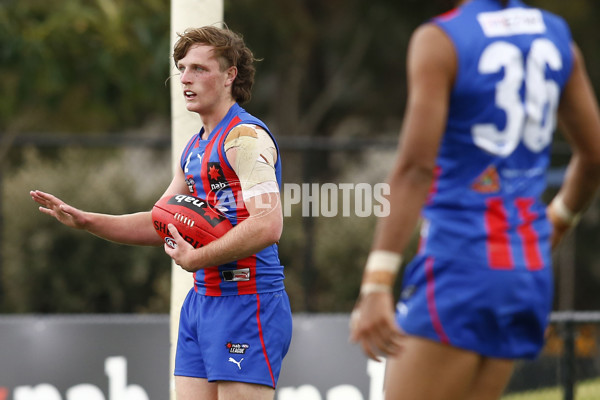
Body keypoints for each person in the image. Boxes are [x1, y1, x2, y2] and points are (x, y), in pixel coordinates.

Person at [349, 1, 600, 399]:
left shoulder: (441, 39)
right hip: (526, 271)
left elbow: (415, 168)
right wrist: (558, 220)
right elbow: (594, 156)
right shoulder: (556, 36)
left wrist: (377, 282)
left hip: (461, 265)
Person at [31, 26, 292, 400]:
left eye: (199, 69)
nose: (185, 78)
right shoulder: (194, 149)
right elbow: (162, 222)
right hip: (202, 302)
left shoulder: (245, 139)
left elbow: (268, 224)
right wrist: (87, 220)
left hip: (247, 300)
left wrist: (197, 257)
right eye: (181, 68)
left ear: (230, 75)